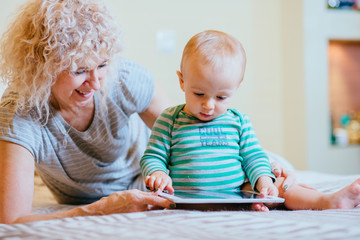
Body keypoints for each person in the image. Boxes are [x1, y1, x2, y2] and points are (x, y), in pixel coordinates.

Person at [0, 0, 292, 224]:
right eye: (79, 70)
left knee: (271, 169)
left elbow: (188, 133)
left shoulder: (124, 77)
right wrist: (101, 209)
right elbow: (11, 221)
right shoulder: (20, 114)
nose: (96, 81)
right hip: (93, 195)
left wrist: (260, 171)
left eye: (101, 64)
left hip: (154, 177)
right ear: (41, 67)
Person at [140, 30, 360, 211]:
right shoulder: (170, 119)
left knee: (282, 186)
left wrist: (264, 182)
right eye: (199, 94)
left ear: (236, 88)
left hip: (238, 195)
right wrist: (157, 173)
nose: (208, 105)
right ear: (182, 81)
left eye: (221, 97)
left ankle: (327, 202)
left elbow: (253, 156)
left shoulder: (239, 121)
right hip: (186, 200)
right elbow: (152, 156)